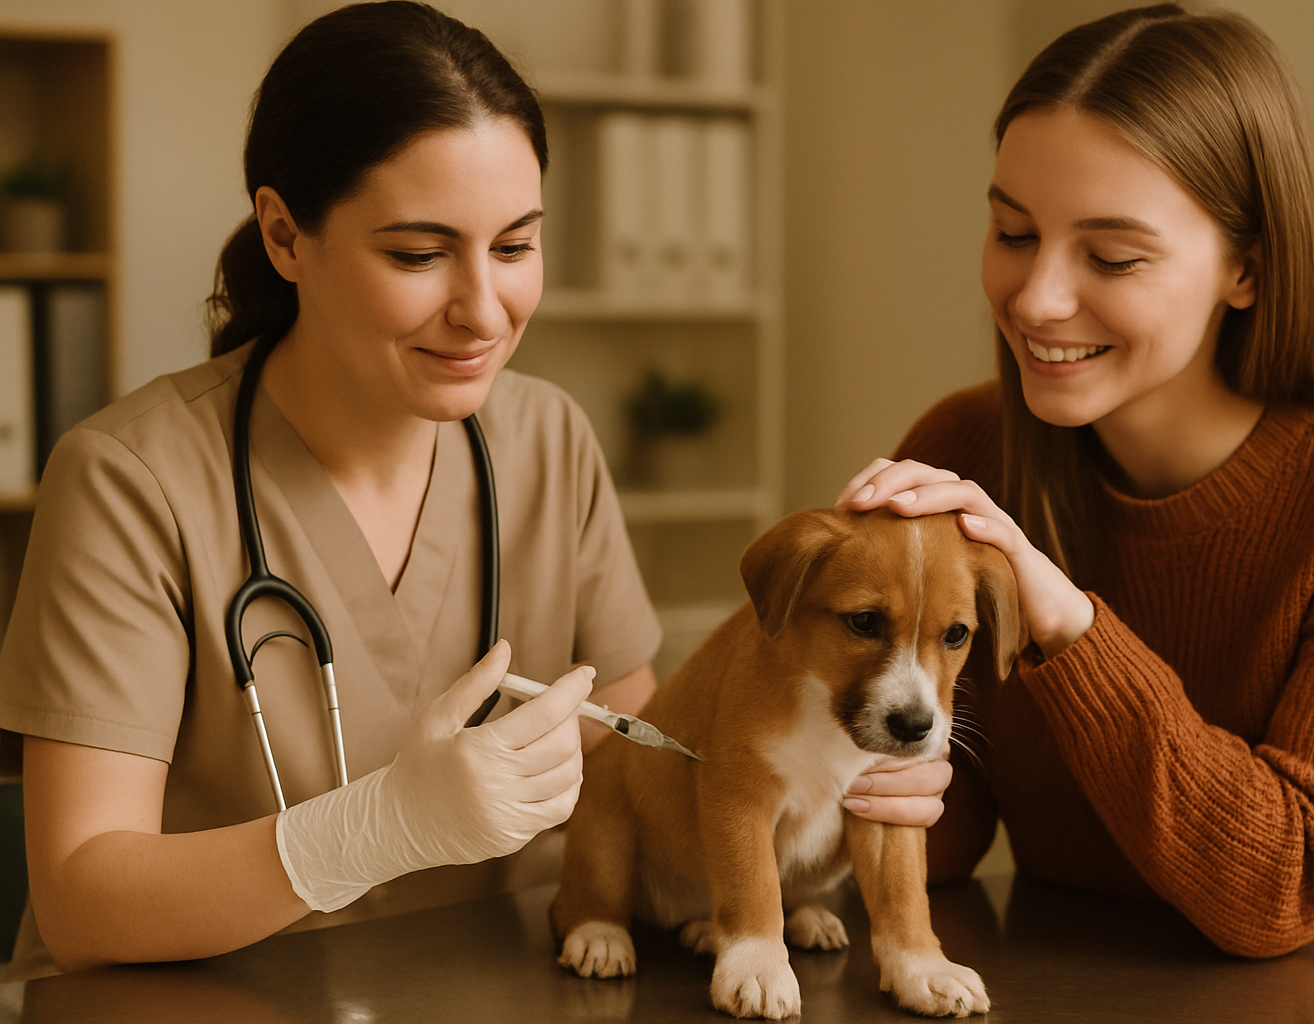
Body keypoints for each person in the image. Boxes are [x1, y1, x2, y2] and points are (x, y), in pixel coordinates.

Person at [0, 2, 941, 981]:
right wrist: (378, 827)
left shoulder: (545, 442)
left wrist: (839, 757)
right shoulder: (130, 480)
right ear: (284, 235)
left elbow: (641, 766)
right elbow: (81, 897)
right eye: (417, 254)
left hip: (492, 987)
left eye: (516, 246)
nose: (484, 311)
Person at [839, 3, 1314, 986]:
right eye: (1013, 231)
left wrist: (1067, 623)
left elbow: (1285, 883)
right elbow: (942, 829)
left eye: (1111, 256)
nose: (1035, 298)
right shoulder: (966, 450)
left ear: (1246, 267)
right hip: (1114, 977)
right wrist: (852, 727)